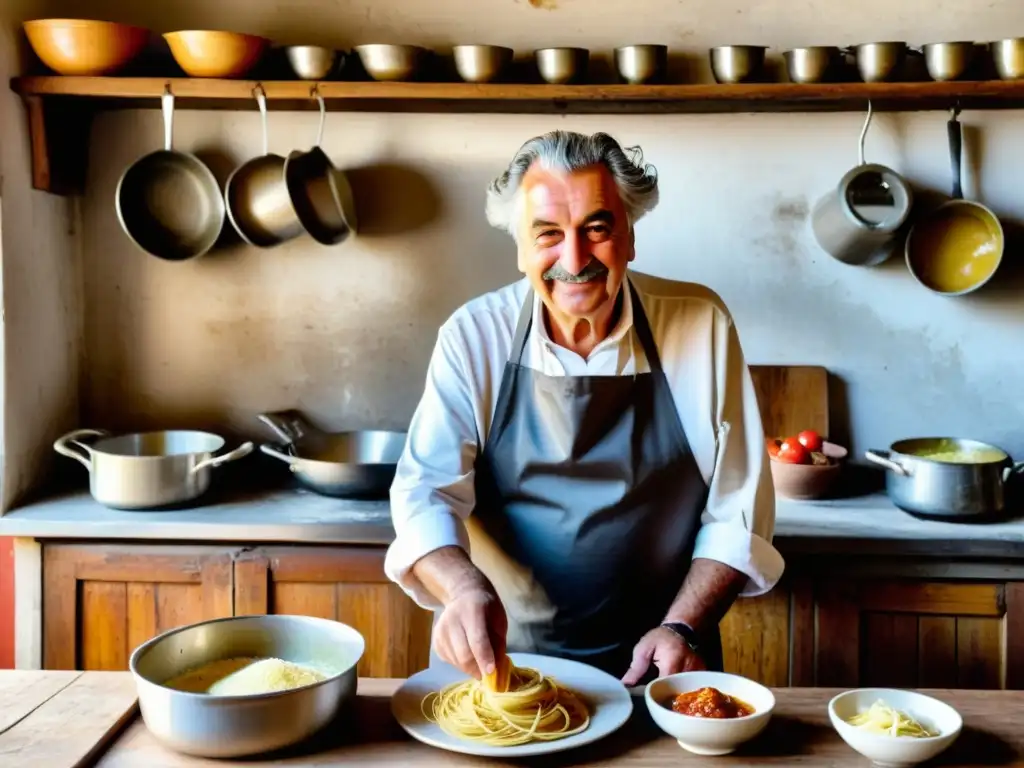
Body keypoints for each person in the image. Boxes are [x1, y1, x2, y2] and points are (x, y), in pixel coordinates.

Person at [384, 130, 784, 687]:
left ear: (630, 236)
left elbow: (738, 511)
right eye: (548, 233)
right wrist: (463, 589)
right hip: (500, 665)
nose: (574, 259)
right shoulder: (474, 335)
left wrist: (684, 629)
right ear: (520, 246)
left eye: (597, 229)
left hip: (661, 665)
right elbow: (426, 491)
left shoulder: (700, 326)